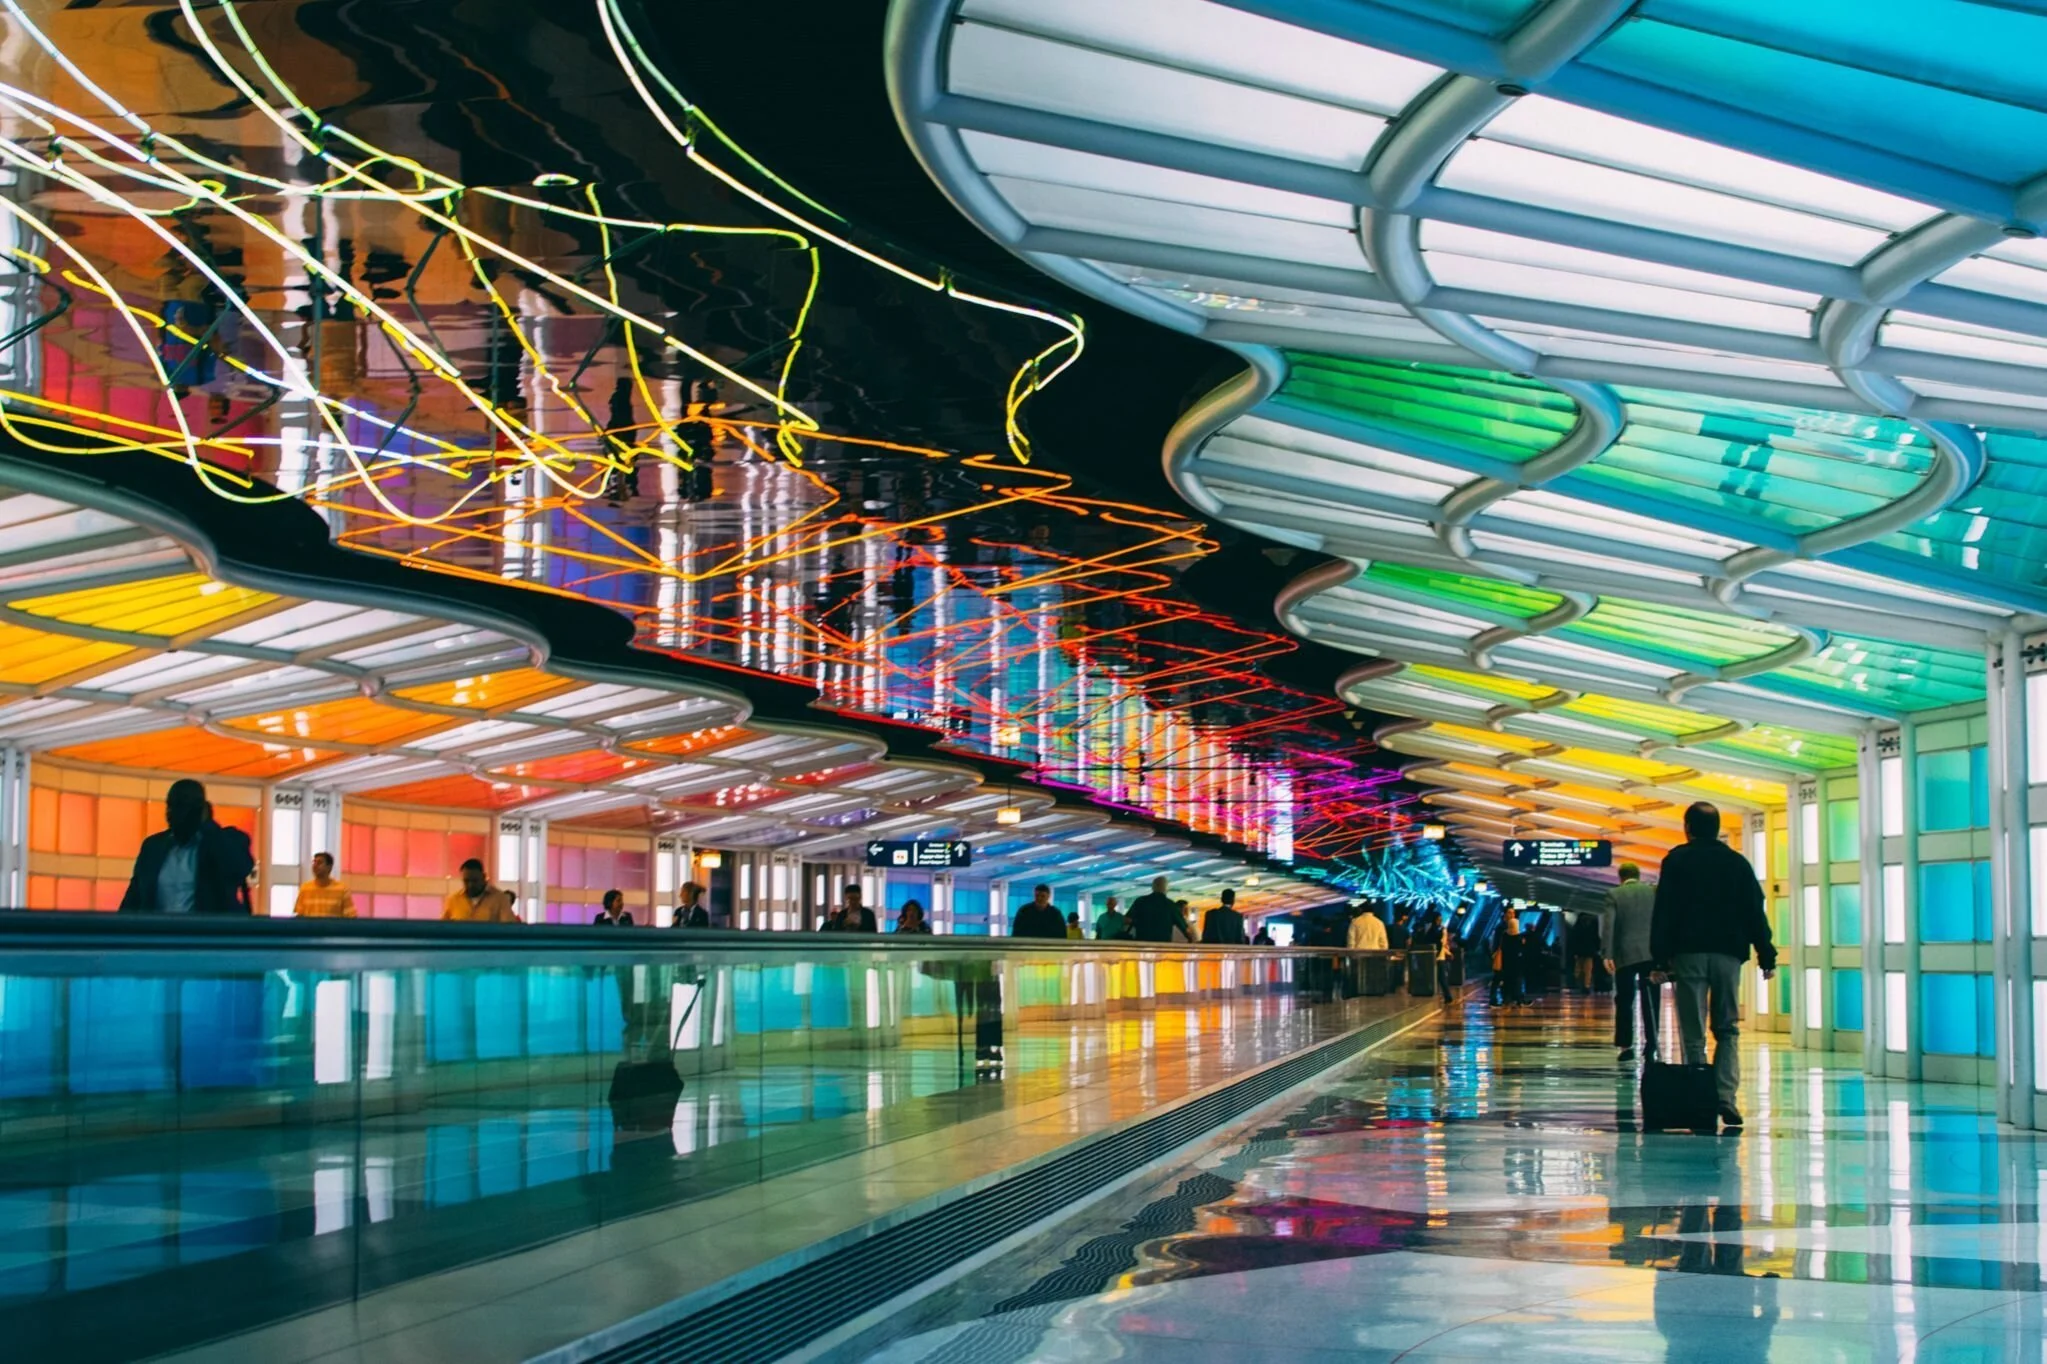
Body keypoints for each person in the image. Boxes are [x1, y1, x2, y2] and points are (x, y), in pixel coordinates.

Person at [1652, 802, 1776, 1129]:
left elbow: (1665, 911)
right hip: (1728, 955)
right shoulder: (1737, 863)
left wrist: (1660, 958)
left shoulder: (1676, 860)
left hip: (1689, 954)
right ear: (1717, 828)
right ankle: (1725, 1097)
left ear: (1688, 828)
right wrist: (1766, 954)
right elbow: (1754, 910)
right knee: (1727, 1028)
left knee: (1693, 1031)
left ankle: (1699, 1098)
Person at [120, 779, 256, 915]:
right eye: (169, 805)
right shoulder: (153, 847)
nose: (170, 813)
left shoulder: (226, 840)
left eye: (180, 806)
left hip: (207, 928)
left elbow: (239, 868)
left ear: (199, 809)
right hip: (157, 928)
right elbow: (133, 899)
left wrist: (208, 825)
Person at [1603, 863, 1659, 1062]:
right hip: (1650, 954)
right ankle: (1651, 1044)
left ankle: (1626, 1046)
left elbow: (1609, 925)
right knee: (1651, 1000)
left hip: (1624, 955)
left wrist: (1607, 954)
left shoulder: (1614, 894)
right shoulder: (1652, 892)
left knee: (1624, 1000)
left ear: (1620, 878)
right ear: (1638, 875)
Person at [442, 859, 519, 922]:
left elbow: (508, 929)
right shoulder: (453, 900)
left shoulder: (500, 899)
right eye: (466, 881)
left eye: (475, 880)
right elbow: (443, 928)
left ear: (484, 877)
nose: (470, 885)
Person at [1127, 877, 1192, 943]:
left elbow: (1128, 919)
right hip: (1162, 944)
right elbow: (1184, 928)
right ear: (1166, 889)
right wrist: (1191, 940)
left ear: (1153, 887)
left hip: (1142, 942)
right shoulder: (1170, 905)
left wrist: (1139, 924)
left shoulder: (1140, 901)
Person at [292, 851, 355, 919]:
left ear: (329, 867)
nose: (315, 865)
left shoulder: (342, 889)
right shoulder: (305, 888)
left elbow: (351, 916)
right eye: (314, 862)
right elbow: (300, 915)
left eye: (319, 863)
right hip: (310, 926)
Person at [1490, 908, 1524, 1006]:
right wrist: (1495, 954)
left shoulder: (1513, 926)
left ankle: (1508, 998)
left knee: (1505, 978)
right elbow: (1498, 942)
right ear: (1504, 914)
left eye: (1513, 913)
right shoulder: (1502, 928)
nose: (1512, 915)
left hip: (1508, 958)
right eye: (1509, 912)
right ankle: (1494, 999)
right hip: (1501, 956)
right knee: (1498, 978)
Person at [1569, 909, 1603, 994]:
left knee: (1579, 969)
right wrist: (1598, 948)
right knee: (1588, 969)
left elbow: (1573, 939)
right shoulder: (1593, 924)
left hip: (1580, 951)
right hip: (1589, 951)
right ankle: (1586, 985)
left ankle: (1580, 984)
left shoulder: (1578, 926)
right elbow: (1596, 937)